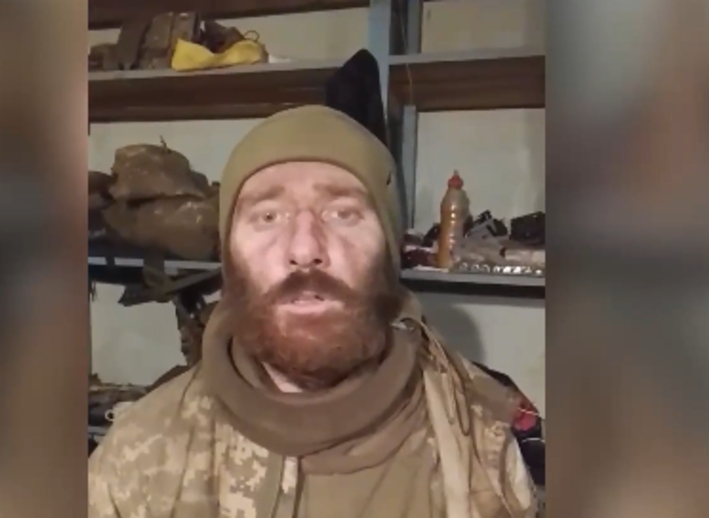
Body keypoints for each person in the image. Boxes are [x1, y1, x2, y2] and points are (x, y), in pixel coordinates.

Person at [88, 105, 539, 518]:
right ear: (229, 255)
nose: (304, 250)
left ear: (389, 249)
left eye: (343, 213)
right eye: (268, 216)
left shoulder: (486, 445)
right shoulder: (136, 457)